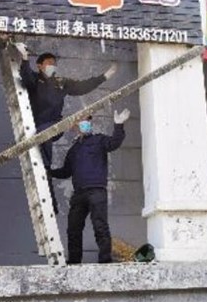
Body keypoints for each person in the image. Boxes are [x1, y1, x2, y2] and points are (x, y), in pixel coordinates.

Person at [15, 42, 117, 211]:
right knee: (41, 140)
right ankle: (50, 196)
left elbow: (82, 87)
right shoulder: (35, 80)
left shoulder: (61, 83)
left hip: (54, 126)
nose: (52, 66)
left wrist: (105, 76)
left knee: (44, 134)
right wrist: (24, 58)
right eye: (49, 63)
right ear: (39, 65)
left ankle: (45, 166)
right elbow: (25, 78)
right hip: (36, 127)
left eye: (54, 63)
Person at [50, 110, 130, 264]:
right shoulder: (73, 150)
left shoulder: (99, 140)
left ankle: (105, 260)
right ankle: (74, 262)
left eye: (87, 120)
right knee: (73, 229)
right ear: (75, 126)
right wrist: (49, 172)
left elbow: (114, 143)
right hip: (79, 193)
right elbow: (66, 171)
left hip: (96, 191)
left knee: (100, 226)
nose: (86, 123)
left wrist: (119, 125)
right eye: (82, 121)